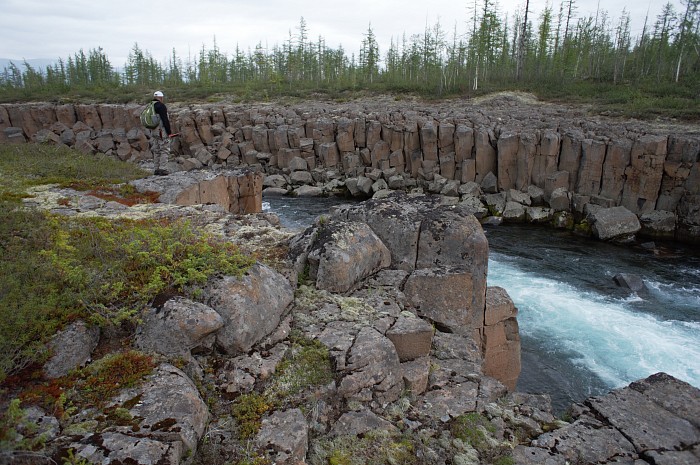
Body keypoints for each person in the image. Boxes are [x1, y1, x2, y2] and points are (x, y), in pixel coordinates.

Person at [151, 90, 178, 175]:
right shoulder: (161, 106)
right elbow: (165, 120)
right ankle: (162, 169)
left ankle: (156, 169)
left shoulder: (150, 106)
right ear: (161, 97)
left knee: (156, 150)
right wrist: (169, 132)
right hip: (161, 132)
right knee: (164, 149)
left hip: (153, 132)